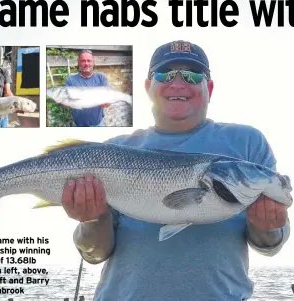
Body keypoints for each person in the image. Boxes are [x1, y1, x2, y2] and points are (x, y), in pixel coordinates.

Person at [61, 40, 291, 300]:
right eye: (165, 74)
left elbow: (271, 244)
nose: (178, 83)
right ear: (148, 88)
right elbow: (95, 253)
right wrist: (93, 219)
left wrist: (269, 226)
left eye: (193, 75)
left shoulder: (248, 143)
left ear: (210, 88)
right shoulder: (115, 150)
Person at [64, 49, 110, 127]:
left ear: (93, 62)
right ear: (78, 63)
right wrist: (62, 102)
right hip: (78, 124)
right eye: (83, 61)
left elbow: (108, 96)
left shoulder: (101, 77)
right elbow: (66, 105)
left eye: (89, 61)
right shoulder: (70, 79)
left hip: (98, 124)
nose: (86, 63)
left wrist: (108, 102)